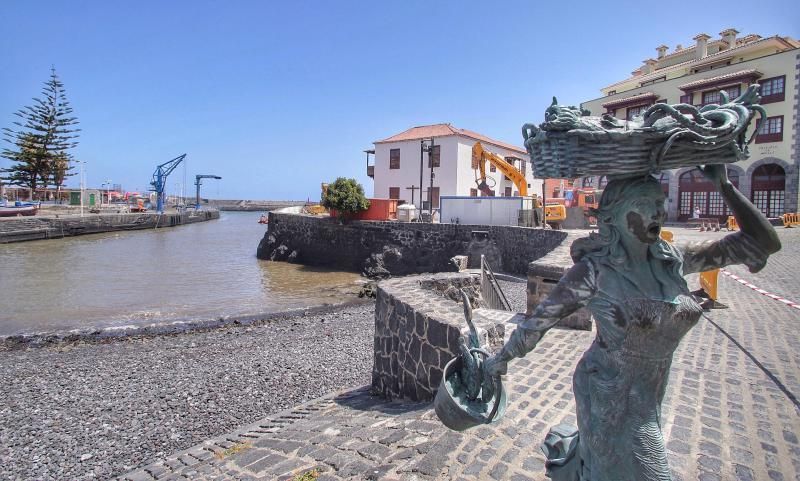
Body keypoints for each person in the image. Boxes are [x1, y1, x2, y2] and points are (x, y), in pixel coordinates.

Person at [482, 166, 780, 481]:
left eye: (660, 202)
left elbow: (762, 243)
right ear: (616, 216)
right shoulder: (593, 273)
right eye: (645, 204)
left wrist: (724, 185)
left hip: (649, 393)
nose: (659, 211)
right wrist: (499, 360)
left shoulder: (673, 261)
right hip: (608, 393)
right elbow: (537, 322)